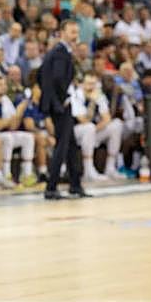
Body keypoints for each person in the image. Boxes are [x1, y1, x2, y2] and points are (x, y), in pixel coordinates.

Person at [39, 19, 87, 199]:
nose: (75, 35)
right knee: (62, 145)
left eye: (77, 31)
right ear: (62, 32)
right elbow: (58, 78)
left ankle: (75, 184)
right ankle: (51, 187)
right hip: (60, 105)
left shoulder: (60, 52)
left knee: (71, 145)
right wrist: (63, 99)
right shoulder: (60, 53)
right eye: (72, 32)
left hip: (58, 103)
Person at [70, 73, 124, 182]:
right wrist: (92, 103)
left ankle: (110, 168)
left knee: (116, 124)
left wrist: (95, 130)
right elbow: (83, 120)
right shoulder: (76, 95)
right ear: (82, 85)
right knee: (88, 127)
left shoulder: (99, 95)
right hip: (76, 133)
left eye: (94, 84)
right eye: (89, 84)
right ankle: (88, 171)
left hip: (93, 131)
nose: (91, 87)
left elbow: (107, 118)